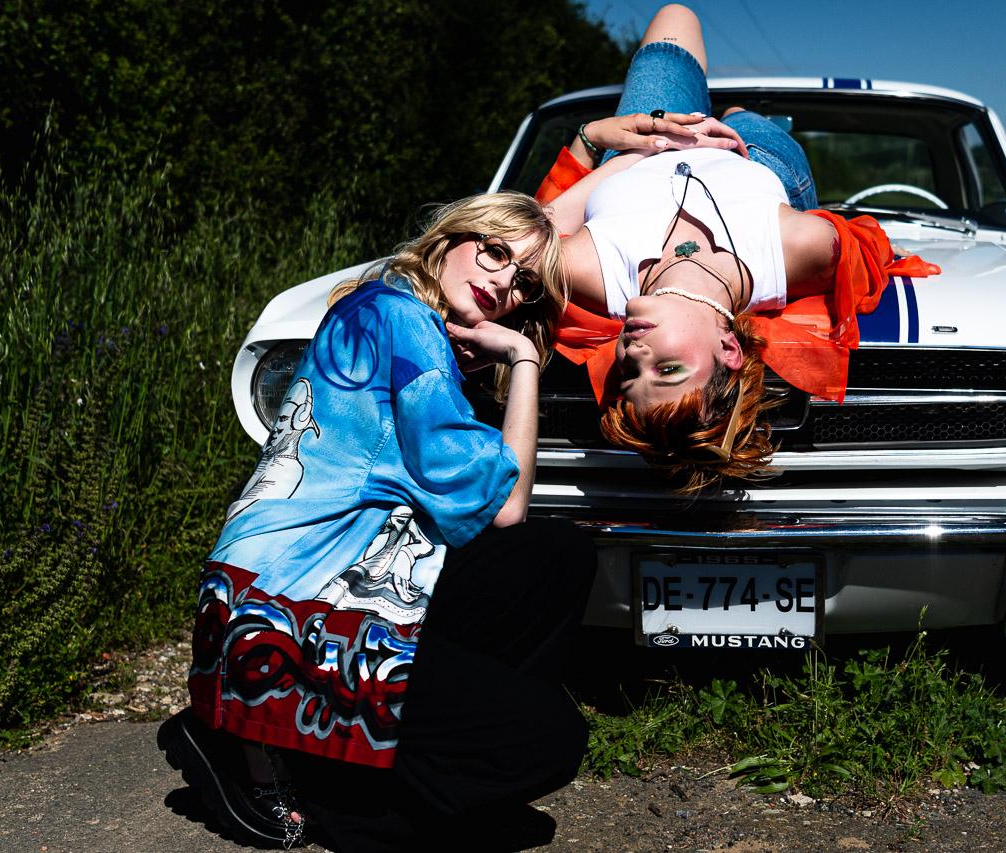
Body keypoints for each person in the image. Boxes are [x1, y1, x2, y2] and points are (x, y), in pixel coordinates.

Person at [158, 191, 596, 851]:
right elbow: (506, 505)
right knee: (549, 740)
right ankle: (281, 767)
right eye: (496, 251)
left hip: (282, 590)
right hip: (291, 613)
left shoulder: (382, 303)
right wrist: (525, 360)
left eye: (524, 283)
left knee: (556, 554)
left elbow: (489, 518)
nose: (505, 282)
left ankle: (382, 751)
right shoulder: (407, 325)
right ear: (450, 241)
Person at [537, 4, 938, 494]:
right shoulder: (803, 250)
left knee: (675, 15)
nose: (633, 352)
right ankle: (741, 114)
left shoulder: (592, 274)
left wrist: (631, 143)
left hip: (646, 139)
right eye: (666, 368)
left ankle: (710, 118)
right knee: (745, 118)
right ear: (729, 348)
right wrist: (718, 138)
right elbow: (868, 247)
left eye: (628, 372)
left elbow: (525, 232)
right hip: (759, 159)